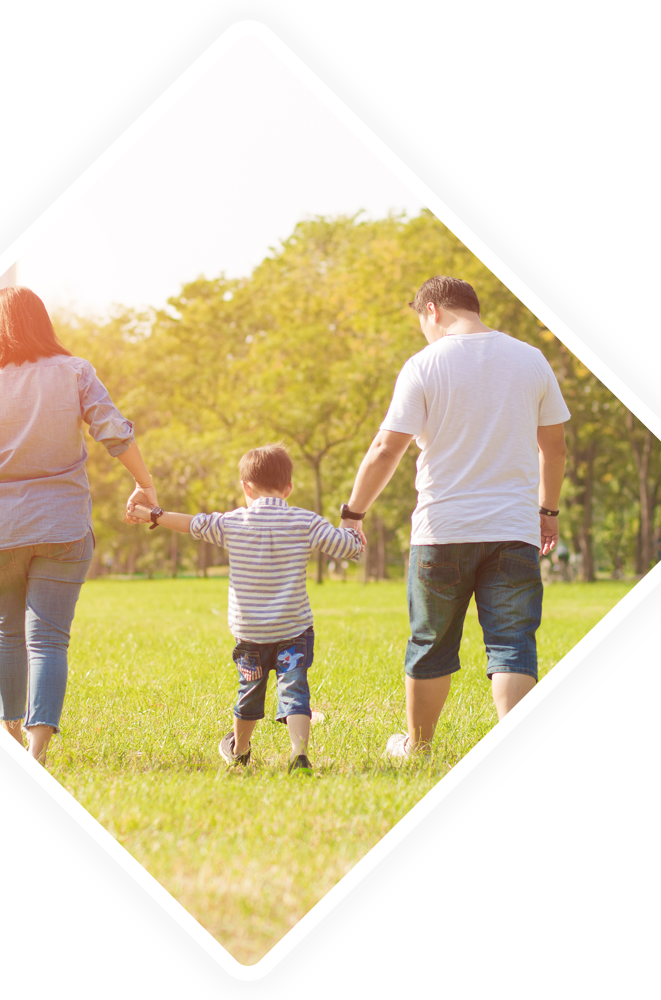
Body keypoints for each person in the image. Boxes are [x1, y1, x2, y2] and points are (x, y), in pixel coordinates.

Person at [0, 286, 157, 765]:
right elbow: (112, 429)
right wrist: (145, 484)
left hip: (0, 533)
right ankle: (37, 750)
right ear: (42, 324)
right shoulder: (75, 372)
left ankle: (8, 736)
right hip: (64, 527)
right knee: (48, 637)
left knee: (7, 631)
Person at [338, 276, 570, 757]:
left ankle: (418, 746)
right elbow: (555, 445)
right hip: (513, 529)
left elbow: (386, 449)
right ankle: (516, 745)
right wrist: (547, 509)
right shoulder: (530, 358)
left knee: (431, 641)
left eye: (421, 321)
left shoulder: (424, 364)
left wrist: (353, 513)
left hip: (442, 530)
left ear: (432, 311)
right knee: (512, 644)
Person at [126, 444, 363, 774]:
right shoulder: (305, 521)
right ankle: (299, 753)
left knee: (249, 690)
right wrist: (354, 527)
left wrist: (149, 514)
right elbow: (348, 548)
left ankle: (239, 750)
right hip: (293, 629)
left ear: (245, 487)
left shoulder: (232, 522)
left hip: (250, 633)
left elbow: (191, 523)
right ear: (289, 488)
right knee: (294, 687)